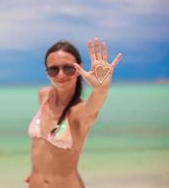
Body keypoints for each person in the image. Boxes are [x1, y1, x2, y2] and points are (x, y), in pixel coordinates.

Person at [25, 38, 122, 188]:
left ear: (79, 69)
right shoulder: (44, 95)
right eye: (53, 69)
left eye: (68, 68)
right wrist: (39, 171)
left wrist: (101, 90)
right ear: (47, 73)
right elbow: (42, 148)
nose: (61, 74)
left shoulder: (78, 112)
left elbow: (93, 107)